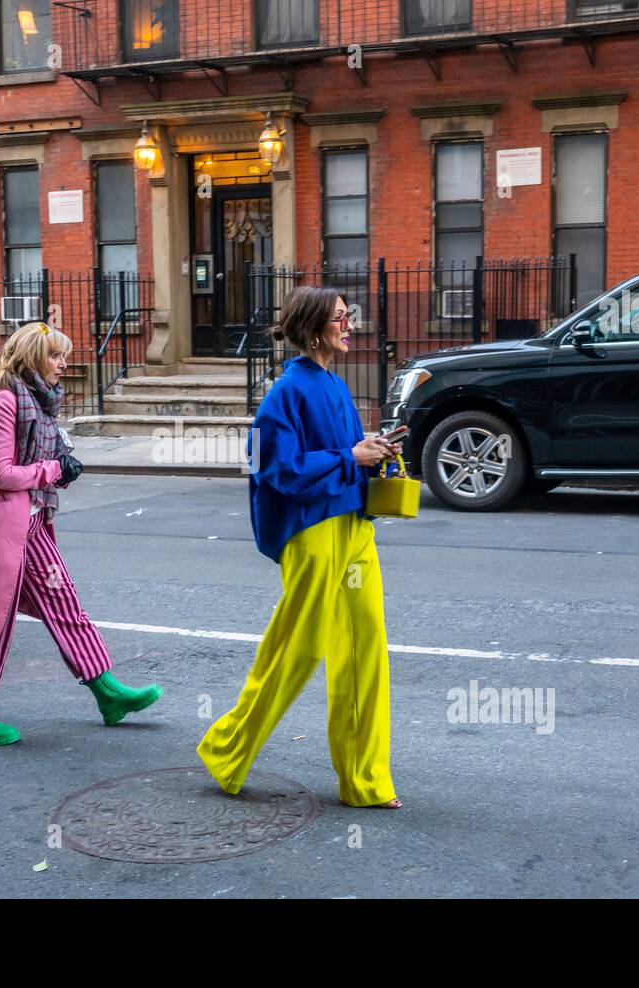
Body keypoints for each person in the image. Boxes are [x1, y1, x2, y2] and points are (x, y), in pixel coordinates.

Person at [197, 286, 402, 808]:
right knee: (298, 649)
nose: (348, 325)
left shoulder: (333, 384)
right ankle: (227, 749)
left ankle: (365, 782)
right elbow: (268, 466)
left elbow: (343, 453)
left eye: (347, 317)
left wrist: (371, 452)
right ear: (314, 328)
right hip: (313, 530)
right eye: (339, 318)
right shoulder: (286, 391)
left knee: (365, 647)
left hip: (355, 526)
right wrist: (347, 456)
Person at [0, 321, 162, 744]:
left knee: (65, 604)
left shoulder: (41, 403)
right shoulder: (5, 402)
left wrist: (61, 470)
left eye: (64, 355)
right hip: (2, 529)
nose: (64, 363)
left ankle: (107, 691)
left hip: (33, 524)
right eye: (56, 355)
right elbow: (1, 474)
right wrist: (55, 469)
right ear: (33, 357)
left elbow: (37, 467)